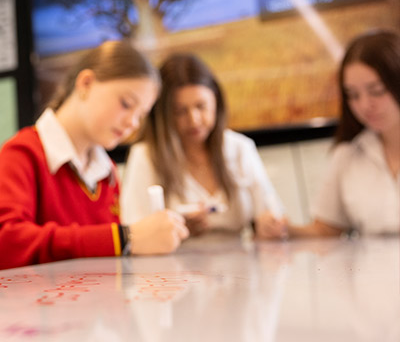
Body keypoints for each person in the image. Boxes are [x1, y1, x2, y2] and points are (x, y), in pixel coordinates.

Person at [0, 41, 189, 272]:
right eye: (126, 104)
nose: (132, 123)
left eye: (140, 116)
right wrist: (123, 238)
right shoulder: (23, 153)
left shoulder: (106, 171)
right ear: (86, 84)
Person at [120, 53, 285, 239]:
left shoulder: (240, 148)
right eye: (180, 111)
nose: (193, 120)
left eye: (201, 106)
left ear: (216, 101)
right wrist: (178, 231)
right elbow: (134, 233)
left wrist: (268, 226)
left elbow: (271, 213)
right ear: (163, 114)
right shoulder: (145, 156)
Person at [288, 30, 400, 237]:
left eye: (376, 91)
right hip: (375, 269)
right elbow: (325, 230)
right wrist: (283, 230)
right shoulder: (349, 155)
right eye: (353, 95)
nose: (365, 105)